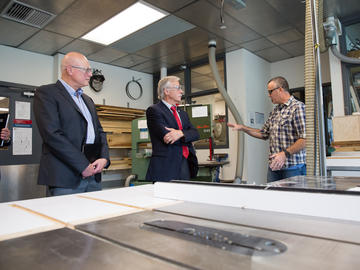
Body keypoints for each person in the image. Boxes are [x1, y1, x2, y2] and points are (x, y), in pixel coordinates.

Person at [34, 52, 110, 196]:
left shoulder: (88, 100)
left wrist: (104, 158)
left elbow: (100, 132)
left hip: (93, 175)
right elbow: (52, 135)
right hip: (65, 177)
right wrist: (82, 165)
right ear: (69, 70)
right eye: (86, 70)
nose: (90, 74)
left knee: (93, 217)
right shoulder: (46, 93)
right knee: (65, 217)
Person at [228, 76, 306, 182]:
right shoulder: (275, 111)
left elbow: (305, 139)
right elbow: (263, 133)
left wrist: (284, 154)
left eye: (270, 91)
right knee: (271, 197)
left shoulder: (298, 108)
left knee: (292, 198)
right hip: (274, 167)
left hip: (293, 167)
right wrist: (243, 128)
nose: (269, 95)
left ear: (280, 89)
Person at [146, 76, 200, 182]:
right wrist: (187, 136)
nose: (181, 91)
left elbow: (196, 133)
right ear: (166, 91)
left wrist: (180, 133)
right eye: (178, 88)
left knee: (184, 197)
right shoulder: (154, 110)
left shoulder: (183, 114)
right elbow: (167, 137)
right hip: (166, 167)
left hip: (185, 163)